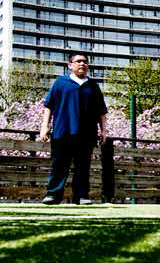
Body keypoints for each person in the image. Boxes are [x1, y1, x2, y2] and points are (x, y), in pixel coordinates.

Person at [38, 52, 108, 205]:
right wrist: (45, 127)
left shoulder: (93, 86)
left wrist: (104, 131)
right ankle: (53, 195)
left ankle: (82, 196)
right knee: (59, 165)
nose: (82, 64)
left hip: (86, 134)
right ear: (70, 65)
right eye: (78, 61)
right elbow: (48, 106)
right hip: (62, 132)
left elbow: (102, 111)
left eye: (84, 61)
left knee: (83, 167)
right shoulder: (60, 83)